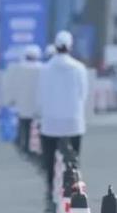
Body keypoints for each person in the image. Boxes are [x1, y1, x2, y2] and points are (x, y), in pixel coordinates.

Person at [37, 30, 88, 198]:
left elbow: (40, 95)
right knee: (73, 158)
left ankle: (50, 188)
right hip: (73, 120)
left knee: (49, 159)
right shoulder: (79, 68)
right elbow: (83, 94)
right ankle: (74, 190)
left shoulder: (45, 69)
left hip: (50, 121)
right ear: (71, 46)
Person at [14, 45, 43, 156]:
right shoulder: (42, 68)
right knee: (37, 128)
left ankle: (24, 147)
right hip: (37, 103)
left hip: (23, 104)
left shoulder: (19, 68)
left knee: (24, 128)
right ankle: (37, 148)